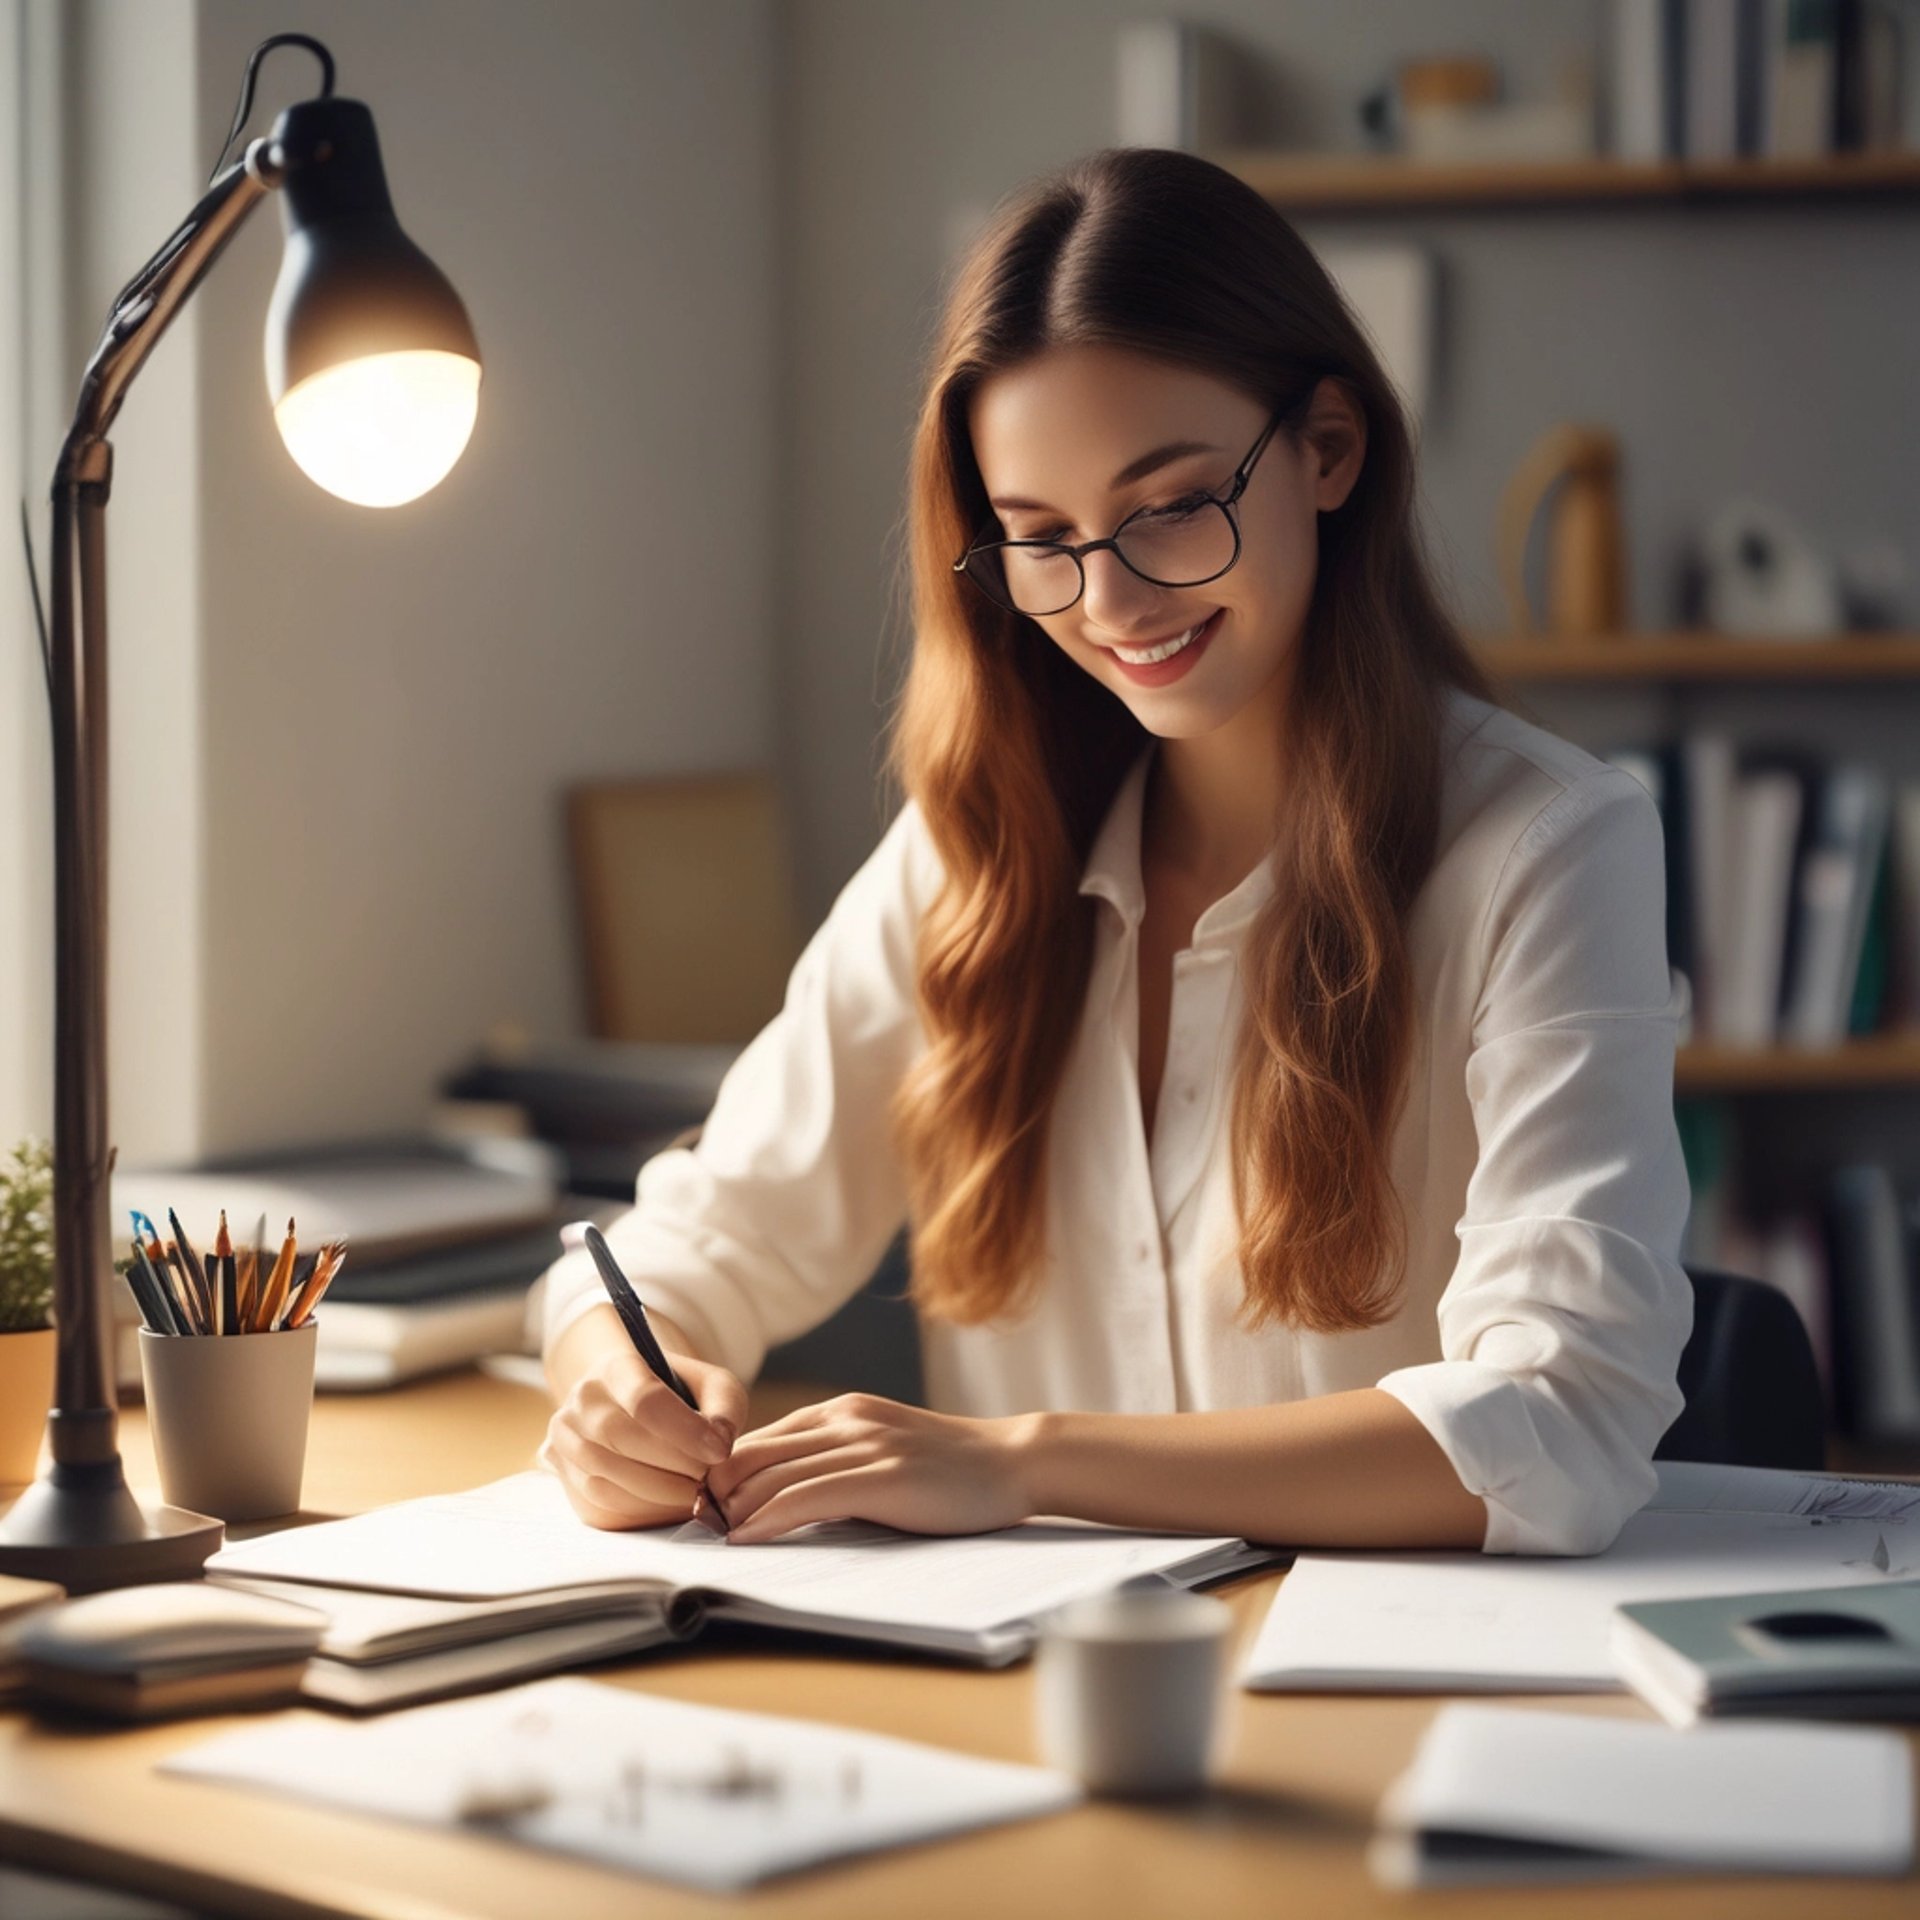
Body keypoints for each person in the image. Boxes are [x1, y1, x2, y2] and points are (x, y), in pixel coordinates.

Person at [540, 148, 1691, 1558]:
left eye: (1169, 507)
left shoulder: (1545, 848)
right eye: (1041, 539)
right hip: (1022, 1697)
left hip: (1370, 1710)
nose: (1113, 599)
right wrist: (612, 1380)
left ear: (1329, 448)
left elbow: (1563, 1419)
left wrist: (1020, 1465)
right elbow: (687, 1251)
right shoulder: (972, 858)